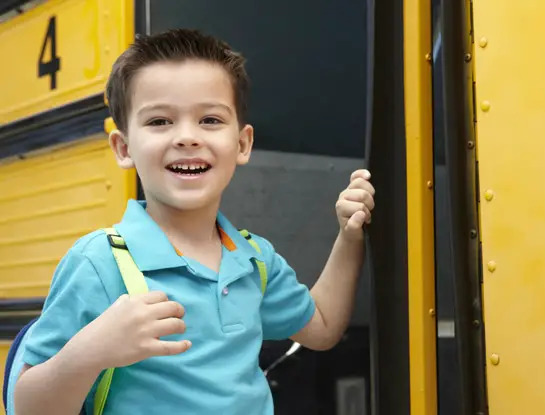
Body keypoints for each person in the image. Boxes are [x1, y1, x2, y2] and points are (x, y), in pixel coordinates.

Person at [13, 29, 375, 415]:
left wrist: (349, 237)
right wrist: (91, 351)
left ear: (242, 144)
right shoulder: (100, 263)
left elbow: (320, 327)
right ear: (123, 148)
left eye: (209, 119)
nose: (187, 137)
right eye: (159, 122)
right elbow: (29, 407)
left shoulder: (254, 260)